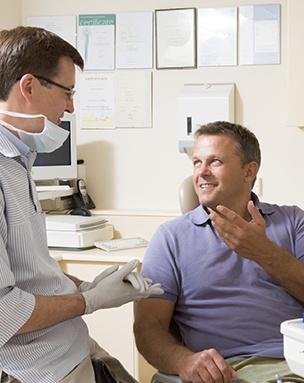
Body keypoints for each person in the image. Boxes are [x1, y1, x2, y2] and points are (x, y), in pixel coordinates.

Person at [0, 26, 163, 383]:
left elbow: (30, 275)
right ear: (28, 87)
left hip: (71, 347)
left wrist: (83, 286)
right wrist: (90, 301)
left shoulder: (17, 162)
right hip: (41, 370)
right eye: (67, 92)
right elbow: (4, 313)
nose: (70, 106)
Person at [134, 120, 304, 383]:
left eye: (215, 162)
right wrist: (184, 361)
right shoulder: (170, 238)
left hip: (296, 360)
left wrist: (264, 252)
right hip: (227, 371)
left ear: (249, 171)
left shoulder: (293, 222)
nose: (201, 172)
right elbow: (148, 327)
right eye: (196, 162)